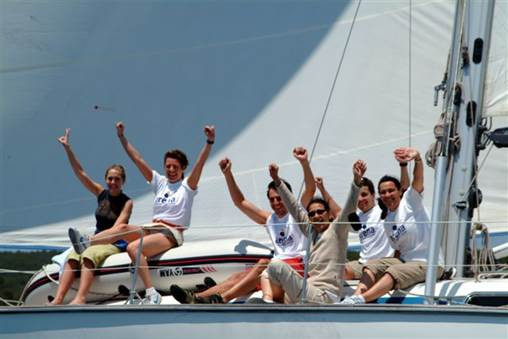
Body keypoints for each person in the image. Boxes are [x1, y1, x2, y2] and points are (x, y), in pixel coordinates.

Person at [69, 122, 215, 304]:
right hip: (152, 227)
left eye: (174, 167)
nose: (170, 170)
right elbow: (137, 159)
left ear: (183, 168)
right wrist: (122, 138)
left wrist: (209, 142)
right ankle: (87, 242)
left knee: (133, 248)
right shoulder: (160, 182)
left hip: (171, 232)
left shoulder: (187, 186)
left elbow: (200, 164)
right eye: (167, 166)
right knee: (122, 228)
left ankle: (151, 292)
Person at [170, 147, 316, 304]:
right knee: (240, 276)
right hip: (277, 269)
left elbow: (310, 188)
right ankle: (196, 298)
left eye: (279, 198)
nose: (276, 203)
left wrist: (304, 163)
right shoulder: (270, 219)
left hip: (298, 268)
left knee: (263, 263)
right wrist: (227, 174)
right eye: (272, 199)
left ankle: (221, 298)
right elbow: (240, 202)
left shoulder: (298, 213)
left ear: (287, 196)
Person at [340, 147, 444, 304]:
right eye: (383, 192)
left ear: (399, 192)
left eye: (391, 191)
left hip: (428, 263)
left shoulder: (410, 202)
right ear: (379, 196)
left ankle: (362, 299)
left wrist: (417, 160)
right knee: (372, 265)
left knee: (393, 270)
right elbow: (397, 251)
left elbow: (417, 179)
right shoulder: (387, 220)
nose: (387, 195)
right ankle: (354, 296)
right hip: (406, 262)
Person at [260, 160, 366, 304]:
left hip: (325, 295)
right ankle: (267, 305)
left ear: (329, 214)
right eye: (312, 214)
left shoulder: (336, 230)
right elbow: (294, 207)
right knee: (267, 274)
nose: (316, 216)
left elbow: (349, 208)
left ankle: (268, 306)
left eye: (320, 212)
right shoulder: (311, 232)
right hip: (309, 290)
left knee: (275, 265)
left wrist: (356, 182)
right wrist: (277, 180)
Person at [51, 128, 133, 305]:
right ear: (105, 179)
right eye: (110, 178)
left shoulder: (127, 202)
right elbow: (81, 173)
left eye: (117, 179)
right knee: (72, 257)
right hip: (93, 240)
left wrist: (93, 241)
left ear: (123, 182)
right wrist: (68, 148)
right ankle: (58, 299)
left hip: (113, 242)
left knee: (89, 253)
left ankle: (80, 298)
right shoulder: (101, 194)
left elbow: (116, 230)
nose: (113, 182)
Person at [344, 160, 409, 280]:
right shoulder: (357, 218)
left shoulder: (383, 210)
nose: (360, 199)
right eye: (357, 195)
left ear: (373, 195)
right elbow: (338, 214)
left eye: (364, 194)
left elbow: (404, 191)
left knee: (368, 269)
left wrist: (403, 165)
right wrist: (356, 180)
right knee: (336, 270)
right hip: (362, 263)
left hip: (382, 264)